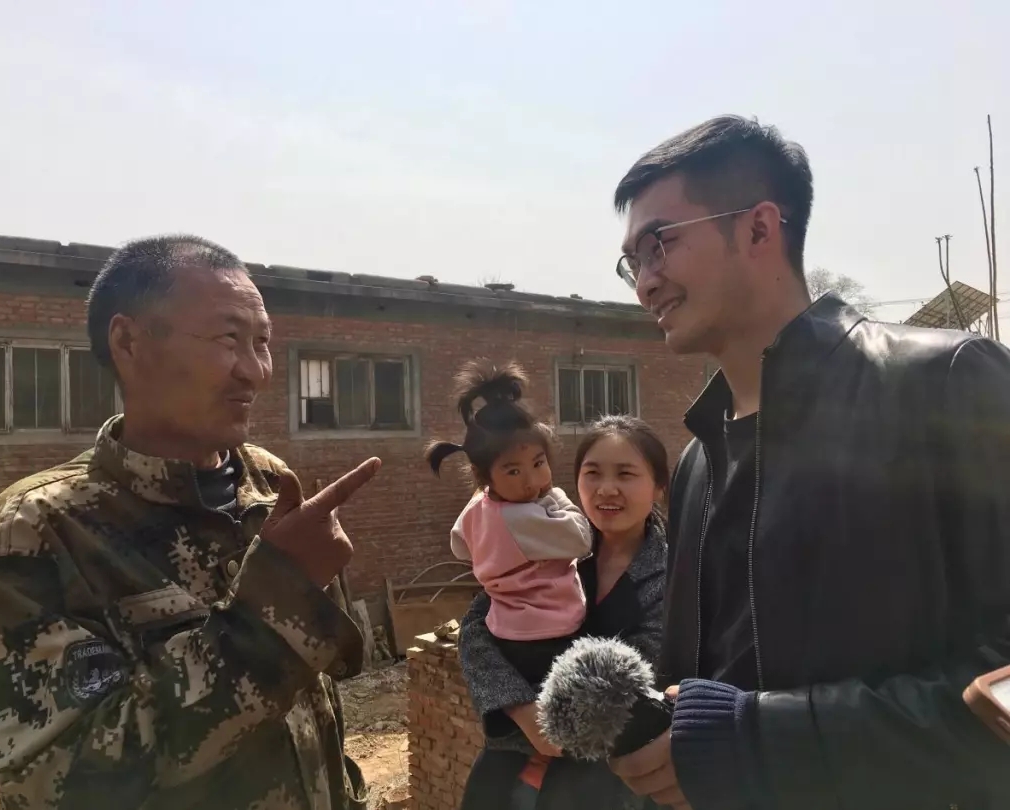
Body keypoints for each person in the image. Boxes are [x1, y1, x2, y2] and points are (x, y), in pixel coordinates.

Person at [607, 115, 1010, 810]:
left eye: (659, 244)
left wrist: (760, 743)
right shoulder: (699, 461)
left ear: (760, 229)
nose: (645, 283)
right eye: (631, 263)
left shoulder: (944, 385)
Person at [0, 235, 382, 809]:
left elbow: (313, 708)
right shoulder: (38, 530)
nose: (256, 372)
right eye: (229, 339)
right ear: (129, 342)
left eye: (262, 343)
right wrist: (277, 608)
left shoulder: (268, 483)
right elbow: (61, 781)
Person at [458, 415, 671, 810]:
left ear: (658, 485)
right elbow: (475, 628)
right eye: (592, 473)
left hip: (604, 782)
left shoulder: (673, 571)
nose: (606, 489)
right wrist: (520, 708)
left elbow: (646, 662)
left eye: (625, 474)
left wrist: (556, 720)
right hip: (509, 771)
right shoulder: (547, 540)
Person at [427, 360, 593, 687]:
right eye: (513, 471)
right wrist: (554, 496)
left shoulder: (479, 506)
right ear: (485, 475)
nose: (531, 481)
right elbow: (582, 538)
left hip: (506, 629)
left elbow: (459, 545)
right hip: (550, 634)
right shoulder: (523, 518)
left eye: (538, 463)